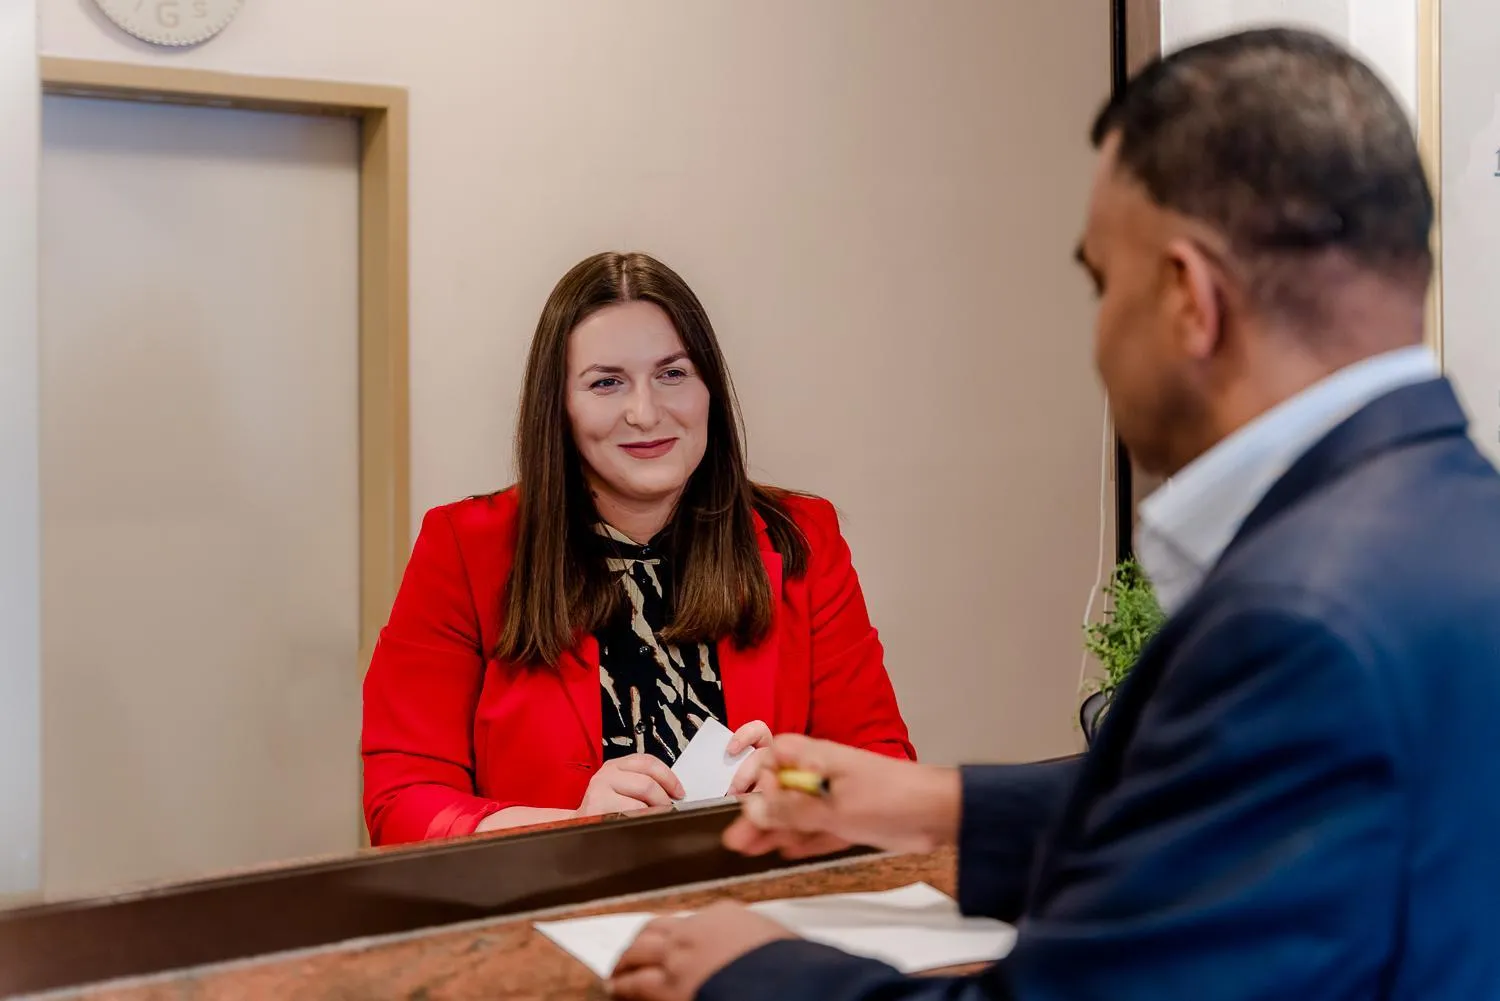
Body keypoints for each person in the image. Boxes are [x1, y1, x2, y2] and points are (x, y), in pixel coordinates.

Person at [605, 28, 1500, 1001]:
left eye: (1101, 281)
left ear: (1188, 299)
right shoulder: (1458, 530)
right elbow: (1235, 816)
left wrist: (754, 970)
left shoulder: (1294, 619)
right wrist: (933, 800)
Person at [361, 251, 915, 846]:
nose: (646, 413)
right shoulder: (466, 549)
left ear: (710, 391)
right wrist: (574, 829)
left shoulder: (802, 536)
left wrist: (797, 785)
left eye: (673, 374)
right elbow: (401, 802)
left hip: (759, 906)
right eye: (606, 383)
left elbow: (886, 774)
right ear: (561, 408)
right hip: (559, 915)